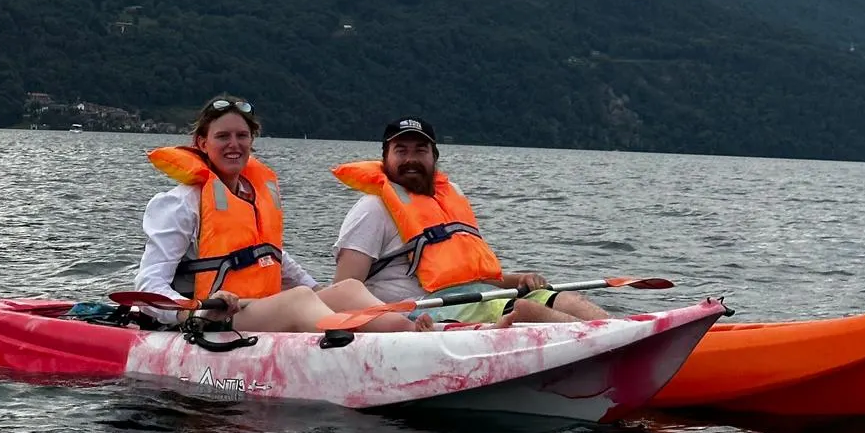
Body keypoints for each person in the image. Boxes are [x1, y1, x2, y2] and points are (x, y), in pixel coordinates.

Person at [136, 95, 423, 333]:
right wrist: (191, 313)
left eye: (242, 136)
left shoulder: (253, 197)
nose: (233, 145)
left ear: (252, 140)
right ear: (201, 143)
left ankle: (409, 330)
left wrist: (314, 287)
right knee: (298, 300)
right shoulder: (178, 204)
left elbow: (273, 257)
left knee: (346, 288)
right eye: (222, 136)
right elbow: (149, 285)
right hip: (213, 315)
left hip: (261, 308)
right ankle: (362, 346)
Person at [332, 117, 610, 326]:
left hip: (477, 296)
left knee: (567, 300)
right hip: (420, 313)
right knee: (526, 311)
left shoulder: (452, 198)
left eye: (420, 150)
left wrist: (519, 278)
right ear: (385, 158)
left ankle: (622, 337)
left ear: (434, 156)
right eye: (401, 151)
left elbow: (471, 276)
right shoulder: (372, 209)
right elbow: (344, 289)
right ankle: (605, 351)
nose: (411, 159)